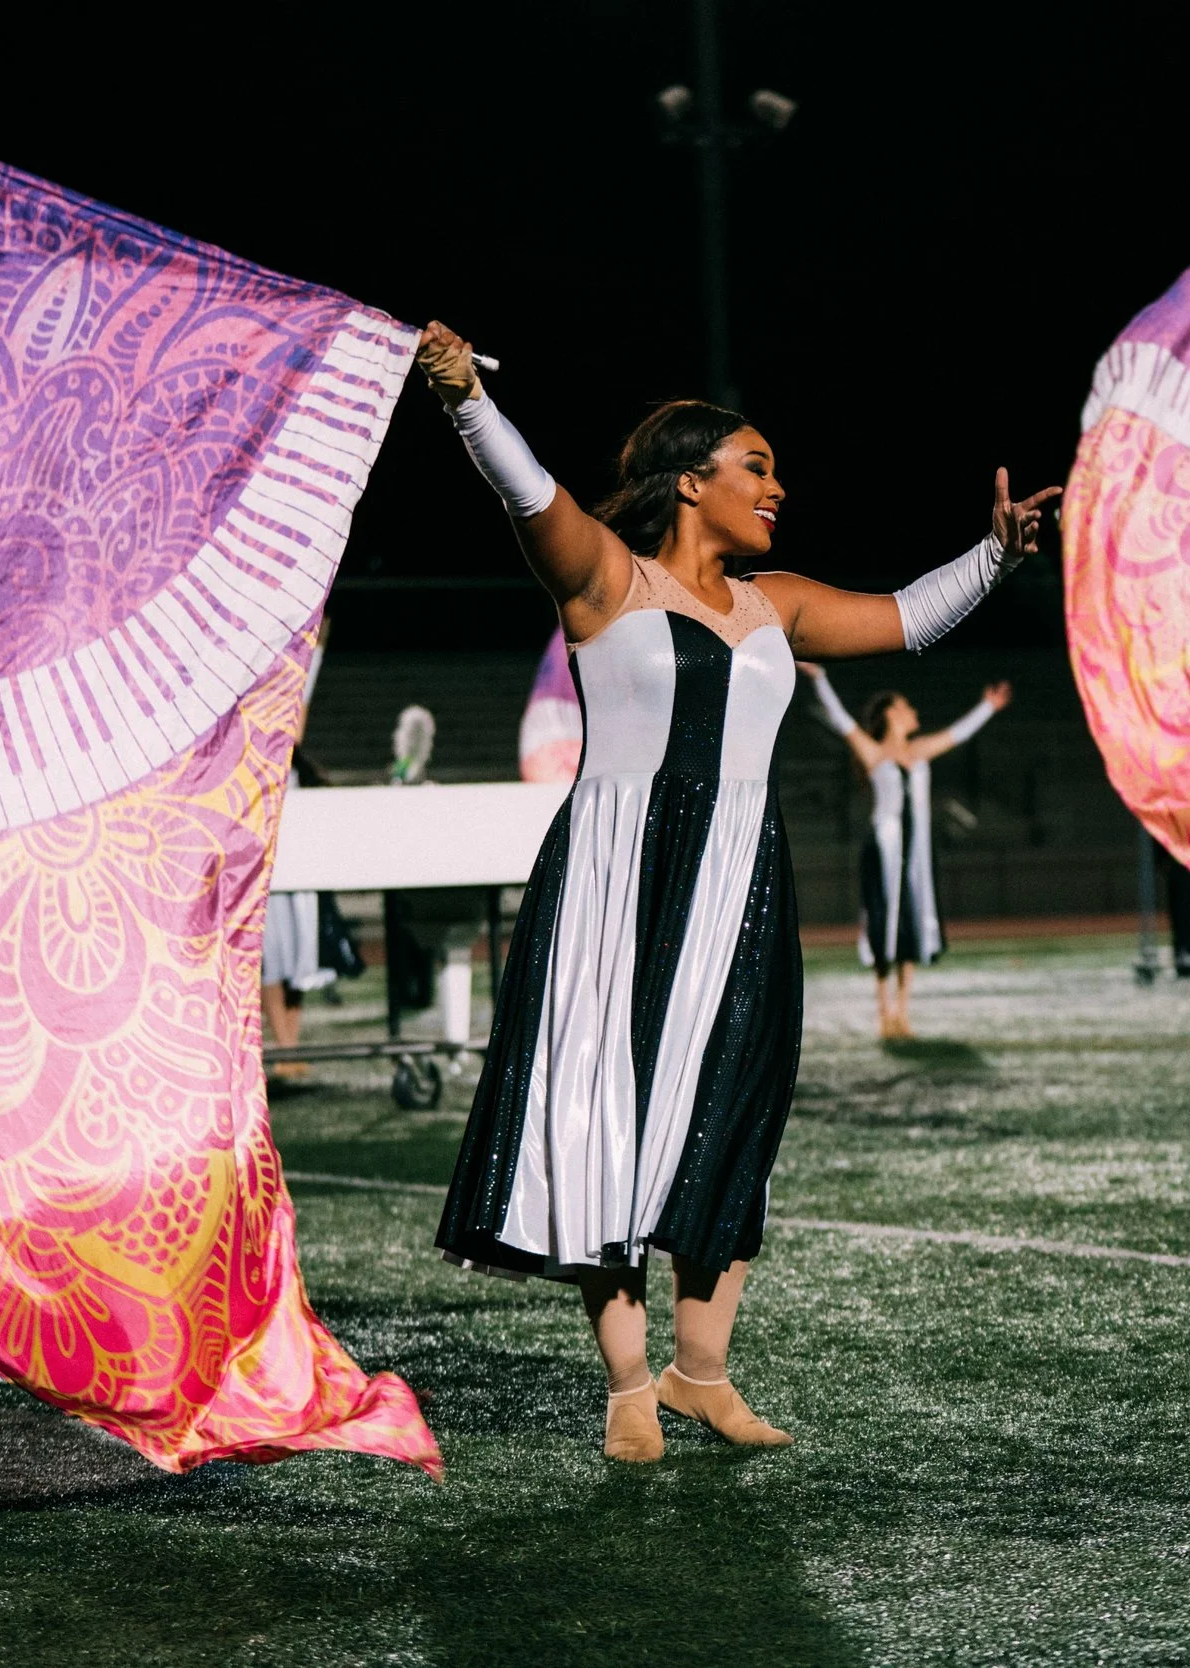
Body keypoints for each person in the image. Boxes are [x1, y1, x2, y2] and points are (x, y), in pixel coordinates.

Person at [418, 320, 1057, 1461]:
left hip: (740, 891)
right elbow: (528, 490)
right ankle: (628, 1385)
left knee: (730, 1114)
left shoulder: (779, 603)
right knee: (604, 1119)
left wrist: (997, 556)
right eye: (755, 466)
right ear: (689, 480)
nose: (778, 487)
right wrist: (465, 396)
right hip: (614, 883)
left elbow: (907, 616)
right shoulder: (605, 578)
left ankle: (700, 1373)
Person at [801, 666, 1009, 1037]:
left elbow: (958, 734)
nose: (914, 711)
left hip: (915, 852)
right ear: (891, 713)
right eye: (906, 706)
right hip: (884, 850)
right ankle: (884, 1009)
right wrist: (820, 679)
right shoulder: (873, 752)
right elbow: (841, 719)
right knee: (884, 920)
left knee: (911, 920)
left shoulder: (919, 750)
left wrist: (988, 707)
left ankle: (902, 1010)